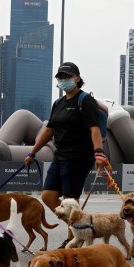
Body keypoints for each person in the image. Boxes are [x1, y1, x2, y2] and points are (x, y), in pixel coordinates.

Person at [25, 61, 111, 247]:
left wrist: (98, 152)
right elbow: (49, 130)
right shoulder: (58, 103)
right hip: (60, 154)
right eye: (60, 77)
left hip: (79, 156)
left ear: (77, 78)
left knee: (70, 200)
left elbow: (94, 128)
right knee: (48, 196)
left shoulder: (85, 100)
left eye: (66, 77)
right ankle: (79, 230)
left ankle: (73, 239)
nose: (63, 80)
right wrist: (32, 152)